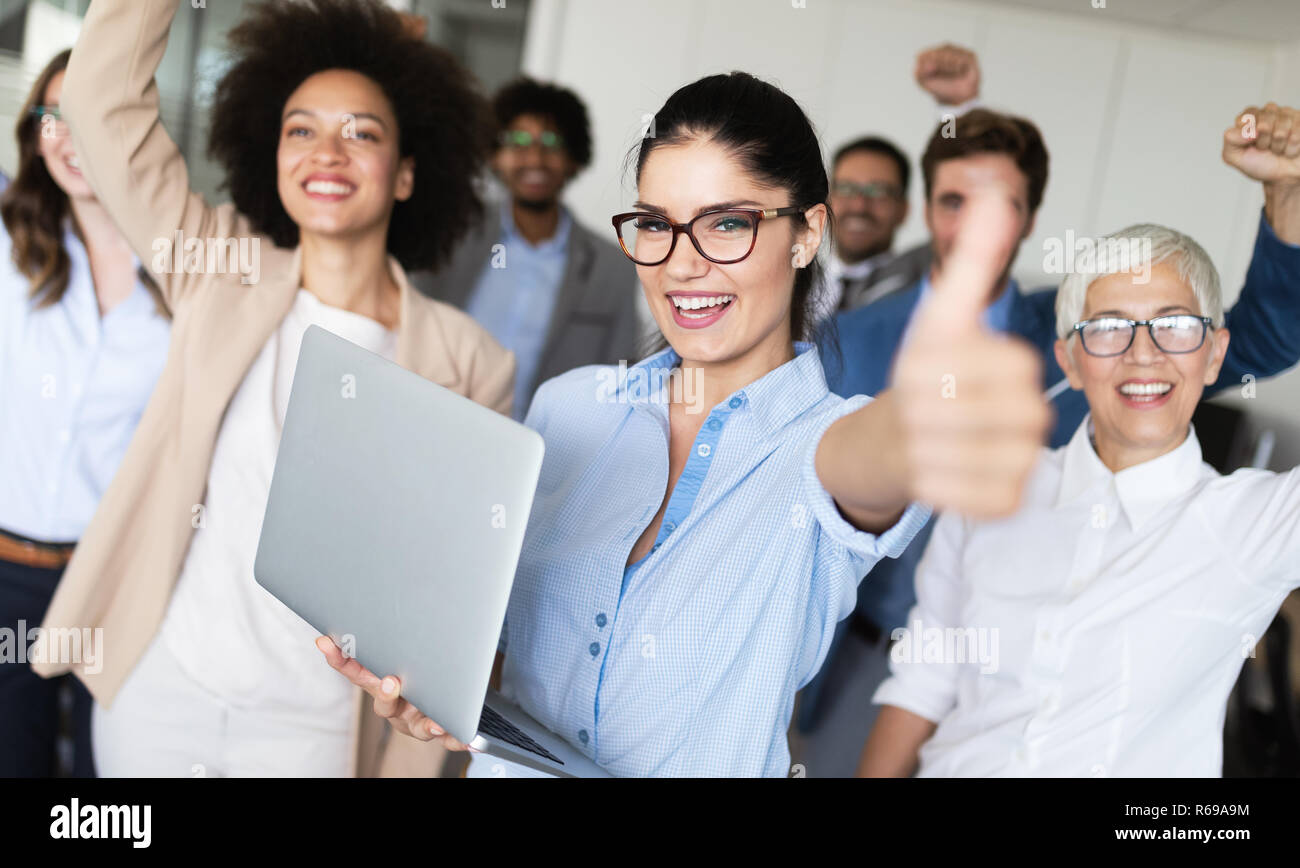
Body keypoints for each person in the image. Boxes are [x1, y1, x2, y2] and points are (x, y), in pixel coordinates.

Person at [319, 69, 1056, 777]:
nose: (682, 265)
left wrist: (931, 411)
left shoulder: (820, 447)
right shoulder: (569, 407)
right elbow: (506, 660)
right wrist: (440, 694)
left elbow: (873, 460)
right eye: (656, 225)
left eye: (727, 223)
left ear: (806, 235)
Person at [32, 0, 515, 778]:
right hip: (163, 693)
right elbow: (98, 101)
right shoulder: (217, 265)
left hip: (315, 732)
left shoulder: (469, 363)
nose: (327, 151)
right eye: (301, 129)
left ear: (407, 175)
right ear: (273, 157)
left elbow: (450, 614)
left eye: (361, 132)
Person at [798, 102, 1300, 753]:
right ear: (928, 211)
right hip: (862, 660)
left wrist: (1287, 198)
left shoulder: (1087, 332)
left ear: (1030, 218)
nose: (974, 226)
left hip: (1037, 685)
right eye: (955, 201)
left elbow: (1267, 333)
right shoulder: (845, 342)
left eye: (999, 205)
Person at [860, 221, 1300, 777]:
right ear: (1069, 360)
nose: (1145, 354)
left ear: (1214, 356)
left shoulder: (1257, 521)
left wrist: (1288, 194)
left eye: (1176, 325)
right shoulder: (992, 490)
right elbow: (924, 679)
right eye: (1110, 328)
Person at [0, 50, 170, 778]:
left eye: (91, 116)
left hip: (118, 580)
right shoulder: (11, 245)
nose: (68, 138)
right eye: (51, 116)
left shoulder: (180, 277)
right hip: (9, 575)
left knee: (114, 781)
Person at [412, 77, 641, 420]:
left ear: (574, 159)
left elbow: (623, 377)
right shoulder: (452, 234)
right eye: (517, 141)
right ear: (494, 156)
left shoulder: (613, 268)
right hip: (430, 422)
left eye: (551, 142)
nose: (534, 157)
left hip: (545, 451)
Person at [816, 44, 984, 320]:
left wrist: (956, 111)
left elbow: (967, 210)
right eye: (846, 189)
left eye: (879, 192)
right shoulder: (793, 282)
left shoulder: (924, 276)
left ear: (904, 209)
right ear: (826, 200)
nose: (860, 204)